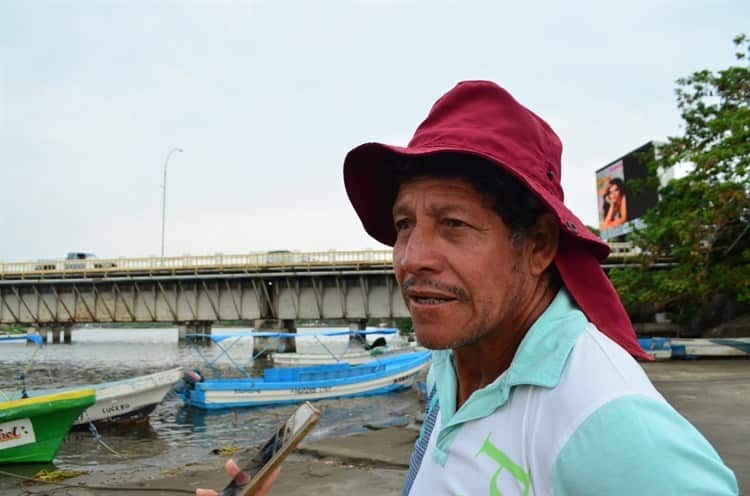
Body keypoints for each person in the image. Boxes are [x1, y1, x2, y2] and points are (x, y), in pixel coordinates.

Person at [198, 81, 739, 495]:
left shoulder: (605, 420)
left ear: (538, 246)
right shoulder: (451, 367)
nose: (412, 259)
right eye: (405, 225)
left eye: (453, 225)